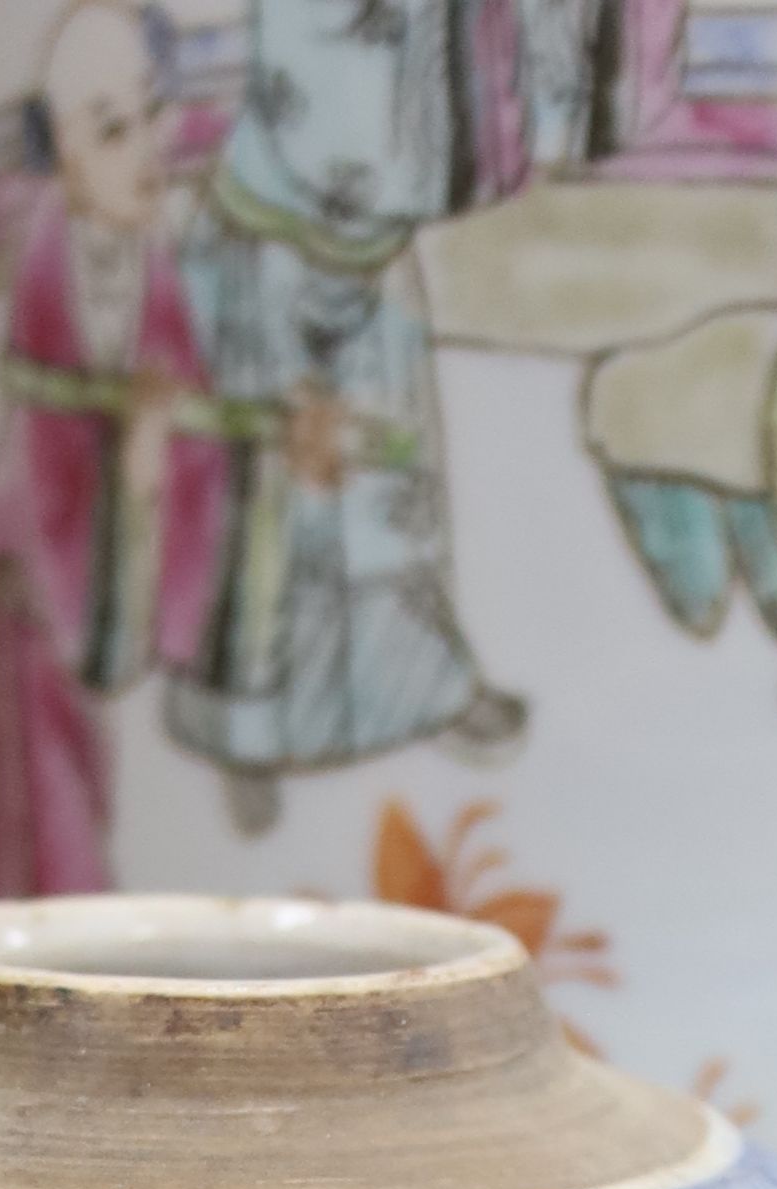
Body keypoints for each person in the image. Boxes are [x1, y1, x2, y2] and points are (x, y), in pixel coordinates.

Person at [165, 0, 532, 832]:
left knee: (392, 503)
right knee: (264, 535)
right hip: (267, 241)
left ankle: (426, 683)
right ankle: (245, 735)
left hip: (370, 239)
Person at [0, 0, 227, 893]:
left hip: (101, 567)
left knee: (90, 782)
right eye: (112, 129)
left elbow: (196, 427)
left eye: (155, 111)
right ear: (60, 151)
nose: (148, 146)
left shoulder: (152, 254)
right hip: (35, 568)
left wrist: (159, 458)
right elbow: (51, 463)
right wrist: (135, 463)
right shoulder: (46, 260)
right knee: (44, 804)